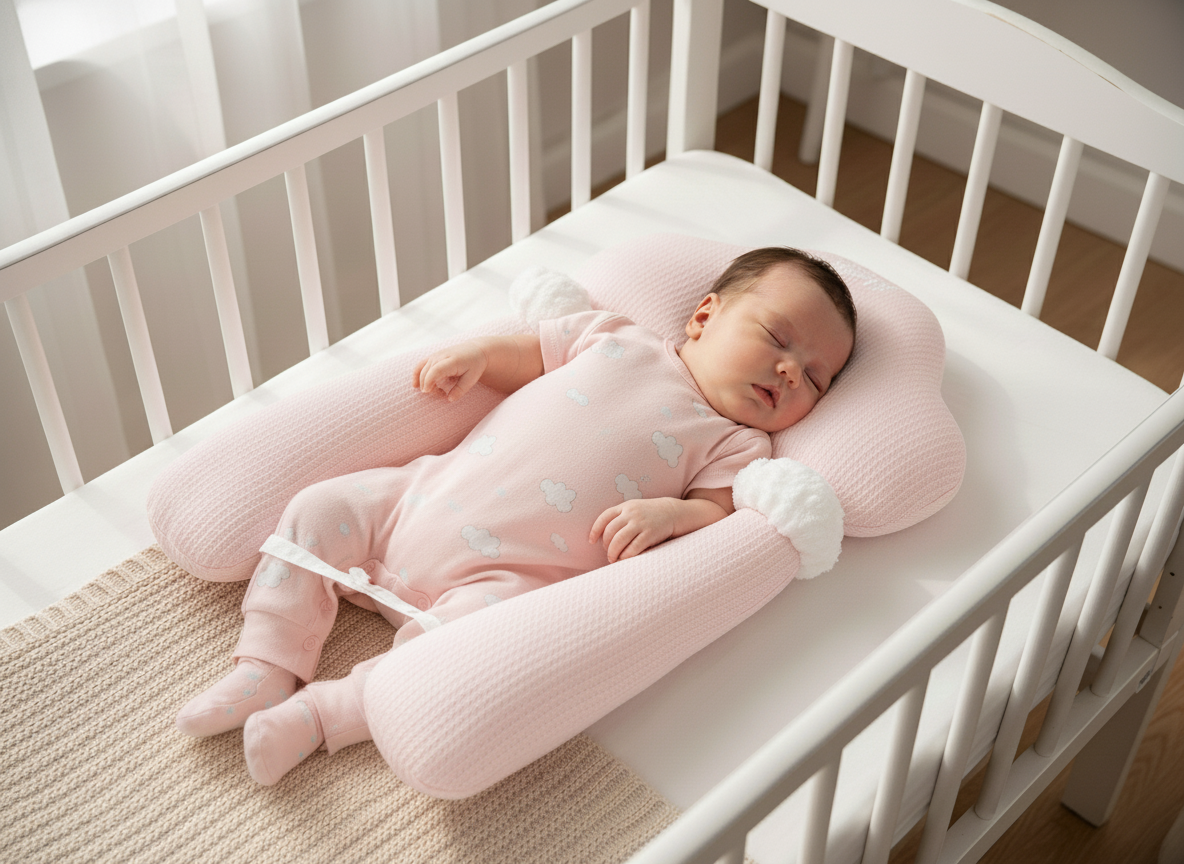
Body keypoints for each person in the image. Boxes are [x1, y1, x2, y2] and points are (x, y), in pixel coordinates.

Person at [175, 247, 857, 785]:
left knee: (463, 648)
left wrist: (672, 513)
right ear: (704, 317)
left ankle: (323, 715)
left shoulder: (738, 443)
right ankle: (267, 661)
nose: (792, 370)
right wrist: (477, 356)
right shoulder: (615, 337)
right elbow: (529, 351)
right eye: (777, 338)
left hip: (507, 578)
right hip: (414, 501)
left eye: (818, 376)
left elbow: (716, 513)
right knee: (318, 506)